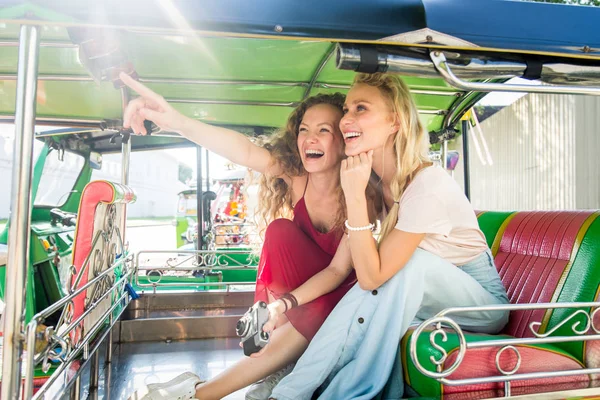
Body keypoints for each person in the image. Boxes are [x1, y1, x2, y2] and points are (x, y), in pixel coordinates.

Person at [119, 73, 364, 400]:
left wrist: (284, 304)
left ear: (344, 139)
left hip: (345, 292)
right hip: (304, 292)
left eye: (324, 130)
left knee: (324, 306)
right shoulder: (297, 178)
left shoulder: (359, 190)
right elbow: (244, 151)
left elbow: (338, 272)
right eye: (304, 129)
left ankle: (199, 394)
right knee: (279, 230)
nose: (310, 138)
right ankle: (264, 360)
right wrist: (178, 121)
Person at [269, 73, 510, 400]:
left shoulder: (427, 185)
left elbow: (373, 277)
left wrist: (353, 196)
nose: (346, 119)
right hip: (425, 298)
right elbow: (355, 275)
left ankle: (348, 395)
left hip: (481, 305)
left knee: (405, 268)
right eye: (346, 109)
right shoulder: (377, 186)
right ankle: (287, 394)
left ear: (394, 122)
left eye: (360, 109)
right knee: (366, 293)